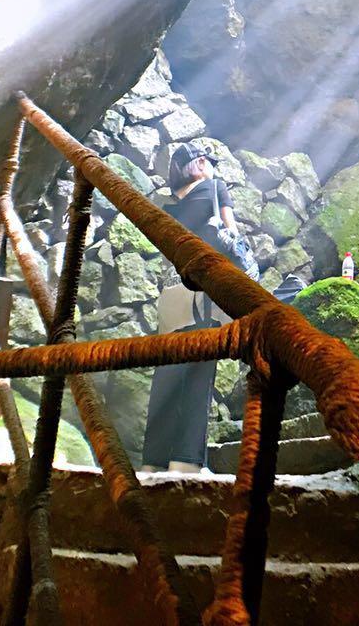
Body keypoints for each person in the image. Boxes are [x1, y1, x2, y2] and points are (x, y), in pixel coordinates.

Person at [140, 143, 240, 473]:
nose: (211, 169)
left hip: (171, 295)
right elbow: (232, 232)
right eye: (208, 163)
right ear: (199, 165)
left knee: (167, 375)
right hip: (203, 295)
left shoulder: (166, 209)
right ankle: (184, 461)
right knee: (198, 373)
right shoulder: (215, 187)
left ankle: (154, 462)